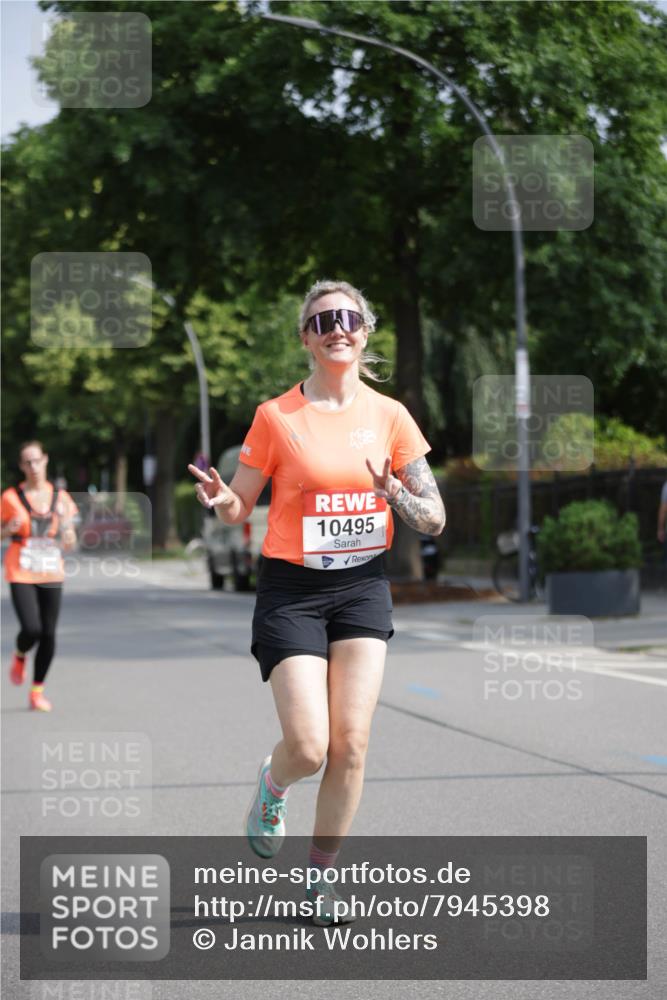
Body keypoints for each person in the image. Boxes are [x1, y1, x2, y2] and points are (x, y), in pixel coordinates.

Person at [189, 280, 445, 924]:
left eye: (349, 317)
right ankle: (272, 785)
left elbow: (435, 519)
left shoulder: (391, 417)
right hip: (293, 591)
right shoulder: (276, 416)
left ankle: (320, 878)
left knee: (351, 744)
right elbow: (240, 504)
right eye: (323, 319)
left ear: (365, 331)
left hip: (361, 586)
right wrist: (221, 501)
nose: (337, 326)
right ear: (306, 337)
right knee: (309, 746)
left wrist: (396, 493)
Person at [1, 441, 78, 711]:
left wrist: (68, 535)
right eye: (27, 462)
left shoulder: (61, 497)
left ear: (45, 460)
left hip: (50, 569)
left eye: (37, 460)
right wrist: (7, 530)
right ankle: (20, 653)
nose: (33, 466)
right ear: (22, 466)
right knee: (31, 628)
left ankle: (36, 691)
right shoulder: (10, 497)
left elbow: (69, 538)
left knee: (48, 633)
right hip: (20, 569)